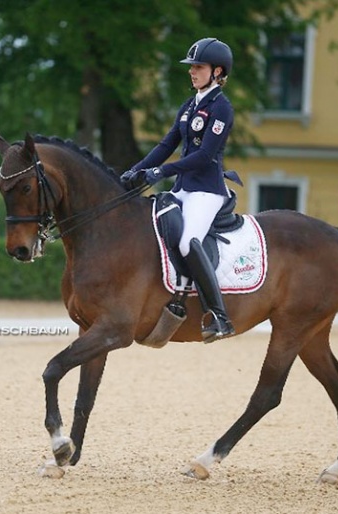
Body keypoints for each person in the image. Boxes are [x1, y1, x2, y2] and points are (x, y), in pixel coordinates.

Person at [121, 37, 235, 343]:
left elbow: (204, 156)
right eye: (192, 67)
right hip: (184, 187)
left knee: (187, 242)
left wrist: (163, 171)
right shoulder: (190, 105)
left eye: (198, 67)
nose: (192, 72)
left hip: (207, 191)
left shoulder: (221, 108)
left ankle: (220, 316)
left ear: (217, 71)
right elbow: (166, 144)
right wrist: (137, 170)